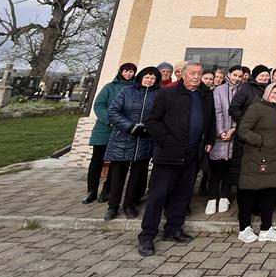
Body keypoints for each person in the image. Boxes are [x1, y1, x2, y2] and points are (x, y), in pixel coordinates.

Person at [138, 62, 215, 257]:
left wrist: (209, 139)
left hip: (192, 152)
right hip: (168, 153)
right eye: (193, 73)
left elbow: (210, 119)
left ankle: (173, 228)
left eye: (199, 73)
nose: (196, 77)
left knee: (183, 193)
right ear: (183, 75)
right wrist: (166, 140)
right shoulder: (167, 94)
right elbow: (152, 121)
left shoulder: (205, 95)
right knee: (158, 194)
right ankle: (147, 235)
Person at [104, 66, 160, 220]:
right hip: (123, 138)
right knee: (117, 176)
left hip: (145, 140)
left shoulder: (158, 94)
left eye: (153, 78)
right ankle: (112, 206)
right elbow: (113, 112)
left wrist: (149, 128)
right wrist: (130, 126)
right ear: (141, 77)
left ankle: (130, 204)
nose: (149, 80)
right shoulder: (127, 91)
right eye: (147, 77)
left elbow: (161, 114)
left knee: (137, 176)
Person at [236, 83, 276, 243]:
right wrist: (260, 141)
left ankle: (266, 229)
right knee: (249, 192)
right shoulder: (256, 107)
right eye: (274, 92)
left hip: (273, 159)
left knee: (269, 194)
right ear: (267, 92)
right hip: (257, 158)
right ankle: (244, 228)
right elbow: (243, 130)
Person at [83, 62, 136, 204]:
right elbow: (99, 105)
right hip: (105, 128)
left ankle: (107, 190)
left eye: (131, 72)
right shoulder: (110, 87)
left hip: (122, 129)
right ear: (121, 72)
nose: (128, 74)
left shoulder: (135, 88)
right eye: (126, 71)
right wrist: (110, 120)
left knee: (116, 162)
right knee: (97, 160)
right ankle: (91, 190)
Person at [228, 65, 270, 188]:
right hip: (246, 133)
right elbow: (234, 107)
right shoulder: (246, 88)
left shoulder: (270, 88)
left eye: (267, 75)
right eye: (262, 75)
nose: (264, 78)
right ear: (255, 76)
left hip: (263, 133)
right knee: (243, 163)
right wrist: (245, 123)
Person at [207, 65, 241, 215]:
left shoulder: (242, 90)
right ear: (229, 75)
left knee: (229, 169)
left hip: (235, 134)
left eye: (240, 76)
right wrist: (221, 132)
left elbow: (242, 112)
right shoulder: (219, 90)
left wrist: (234, 129)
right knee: (215, 168)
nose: (237, 78)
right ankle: (212, 197)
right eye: (235, 75)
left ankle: (224, 196)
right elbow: (217, 111)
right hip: (219, 135)